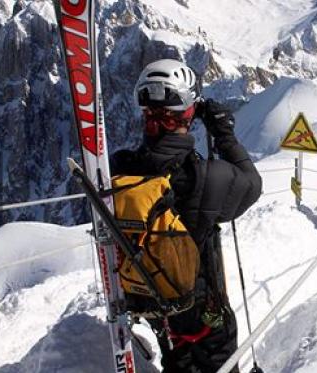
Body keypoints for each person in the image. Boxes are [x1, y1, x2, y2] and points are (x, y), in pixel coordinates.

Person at [111, 59, 262, 373]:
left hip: (151, 302)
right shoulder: (207, 176)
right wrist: (224, 134)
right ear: (189, 113)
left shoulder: (121, 168)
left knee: (176, 362)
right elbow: (252, 185)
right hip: (201, 308)